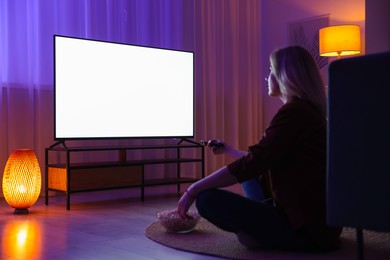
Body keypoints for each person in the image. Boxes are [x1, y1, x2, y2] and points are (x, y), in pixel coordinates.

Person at [177, 46, 342, 251]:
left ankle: (264, 236)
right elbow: (263, 159)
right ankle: (259, 231)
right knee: (249, 176)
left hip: (305, 231)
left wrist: (193, 189)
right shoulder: (307, 112)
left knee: (207, 199)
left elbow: (254, 163)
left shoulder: (295, 113)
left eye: (271, 70)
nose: (267, 77)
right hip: (320, 228)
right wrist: (228, 149)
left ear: (285, 76)